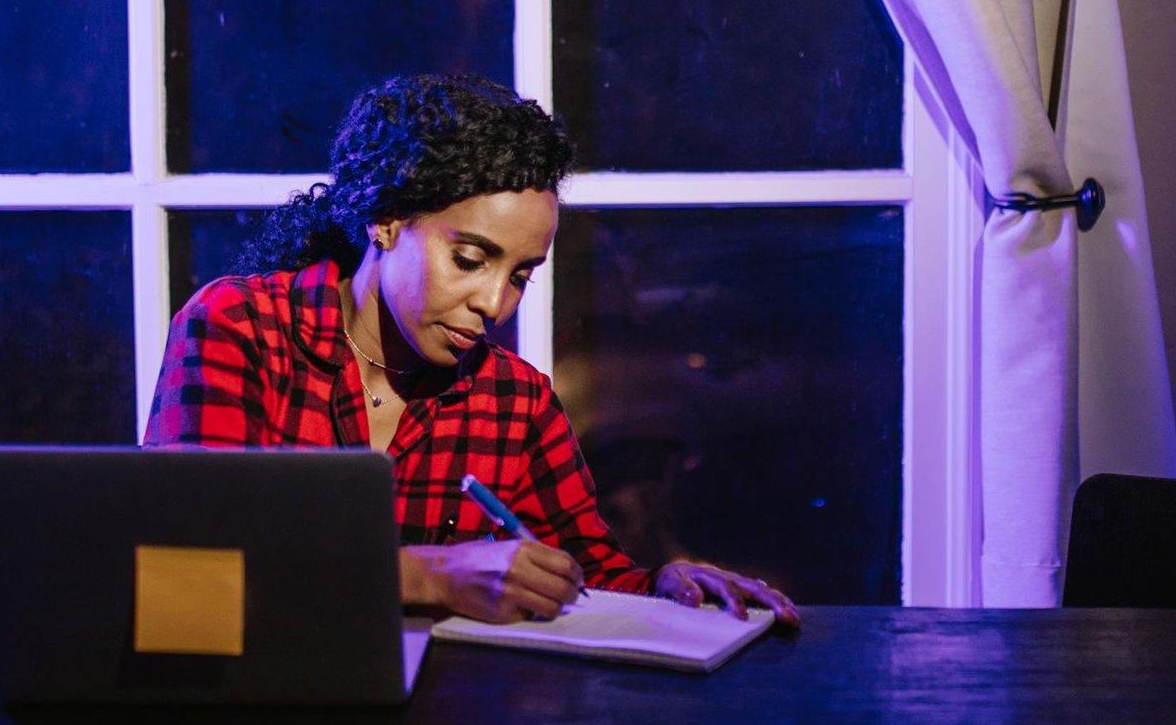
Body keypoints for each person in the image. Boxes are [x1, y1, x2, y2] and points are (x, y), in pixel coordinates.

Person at [145, 74, 799, 628]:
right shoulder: (240, 326)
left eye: (519, 274)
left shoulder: (515, 399)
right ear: (386, 217)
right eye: (470, 259)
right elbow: (184, 567)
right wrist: (427, 576)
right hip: (251, 723)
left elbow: (590, 576)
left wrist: (667, 586)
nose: (494, 304)